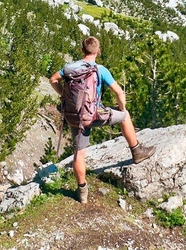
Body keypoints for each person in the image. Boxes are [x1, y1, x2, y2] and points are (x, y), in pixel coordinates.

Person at [49, 36, 156, 203]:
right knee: (125, 116)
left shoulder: (70, 68)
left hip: (74, 116)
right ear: (98, 51)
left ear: (82, 50)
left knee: (79, 154)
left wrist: (64, 94)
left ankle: (82, 192)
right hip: (94, 114)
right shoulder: (100, 70)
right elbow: (119, 93)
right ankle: (137, 152)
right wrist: (121, 108)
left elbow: (53, 79)